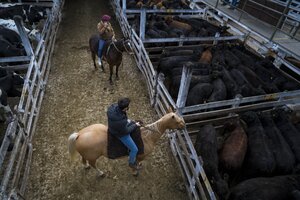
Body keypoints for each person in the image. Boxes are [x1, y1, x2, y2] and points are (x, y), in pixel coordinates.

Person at [107, 97, 141, 170]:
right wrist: (135, 125)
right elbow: (126, 131)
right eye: (127, 107)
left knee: (131, 122)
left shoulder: (113, 107)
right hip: (119, 133)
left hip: (113, 126)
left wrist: (127, 120)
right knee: (134, 149)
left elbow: (123, 118)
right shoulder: (121, 122)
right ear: (125, 108)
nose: (128, 108)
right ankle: (131, 163)